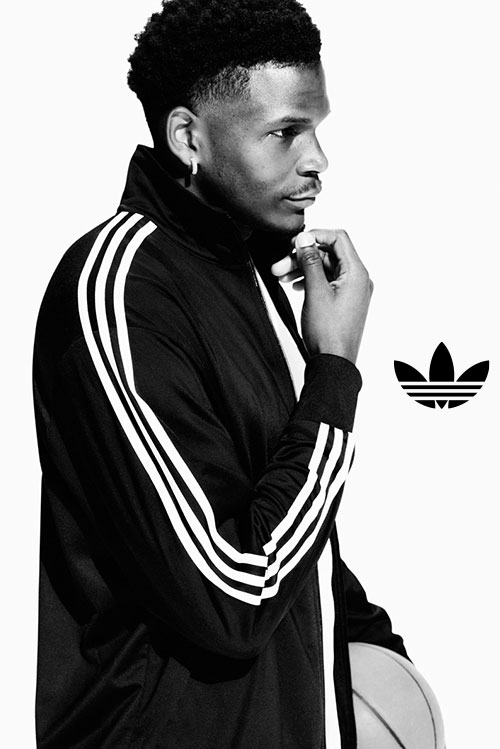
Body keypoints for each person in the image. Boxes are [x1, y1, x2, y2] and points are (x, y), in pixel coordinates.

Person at [33, 1, 409, 746]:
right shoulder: (119, 290)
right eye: (285, 132)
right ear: (188, 138)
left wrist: (375, 647)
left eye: (317, 129)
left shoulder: (251, 275)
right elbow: (234, 593)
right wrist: (334, 371)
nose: (318, 161)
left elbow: (283, 526)